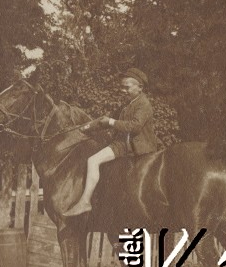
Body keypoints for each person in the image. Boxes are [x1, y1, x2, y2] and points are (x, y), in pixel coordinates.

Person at [63, 68, 158, 216]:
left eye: (127, 87)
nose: (123, 91)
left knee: (93, 161)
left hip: (139, 148)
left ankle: (85, 202)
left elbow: (135, 126)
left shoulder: (143, 104)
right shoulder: (127, 105)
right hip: (122, 145)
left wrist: (111, 122)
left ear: (140, 87)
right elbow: (105, 121)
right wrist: (84, 128)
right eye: (122, 87)